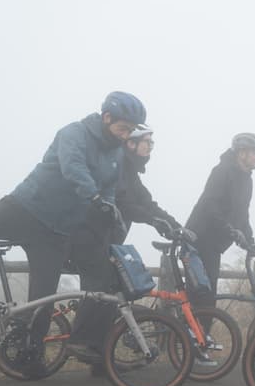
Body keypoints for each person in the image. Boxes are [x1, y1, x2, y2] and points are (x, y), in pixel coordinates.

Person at [0, 91, 145, 376]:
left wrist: (108, 208)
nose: (125, 135)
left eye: (130, 131)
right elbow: (73, 168)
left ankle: (29, 356)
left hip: (56, 231)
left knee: (43, 299)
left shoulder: (117, 153)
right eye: (123, 128)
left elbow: (109, 188)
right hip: (23, 208)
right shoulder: (74, 133)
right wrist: (95, 198)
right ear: (107, 117)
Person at [67, 124, 184, 367]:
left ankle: (102, 356)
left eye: (152, 143)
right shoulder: (119, 167)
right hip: (89, 236)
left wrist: (176, 226)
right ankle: (81, 341)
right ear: (131, 143)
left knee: (115, 287)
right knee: (104, 284)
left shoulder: (130, 172)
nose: (151, 147)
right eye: (147, 142)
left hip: (107, 239)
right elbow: (124, 204)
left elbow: (147, 203)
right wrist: (154, 220)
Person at [185, 133, 255, 309]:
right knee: (203, 297)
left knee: (207, 298)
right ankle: (190, 334)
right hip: (199, 238)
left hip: (215, 243)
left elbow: (242, 215)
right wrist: (230, 230)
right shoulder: (222, 171)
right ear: (241, 153)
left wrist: (250, 242)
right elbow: (210, 207)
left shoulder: (246, 179)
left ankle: (198, 335)